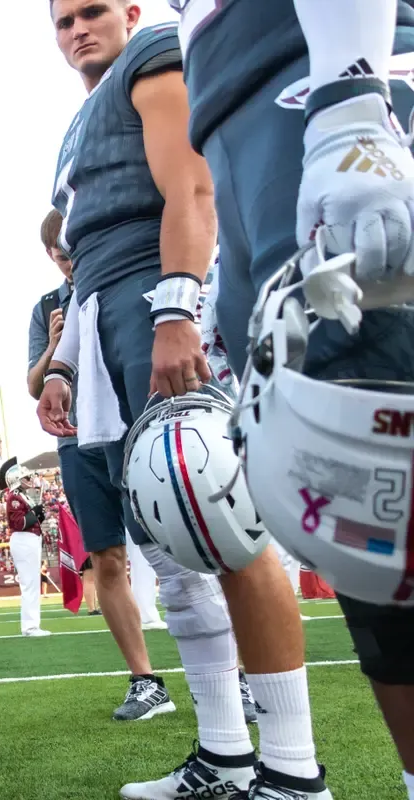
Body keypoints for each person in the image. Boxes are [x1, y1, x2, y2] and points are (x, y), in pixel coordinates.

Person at [39, 4, 328, 799]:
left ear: (131, 11)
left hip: (154, 297)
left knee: (224, 523)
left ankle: (295, 771)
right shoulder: (77, 121)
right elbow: (83, 259)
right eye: (62, 21)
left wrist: (175, 309)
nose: (77, 30)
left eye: (92, 12)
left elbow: (190, 187)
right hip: (107, 314)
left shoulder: (154, 53)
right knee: (171, 550)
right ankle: (226, 755)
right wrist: (63, 362)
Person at [178, 0, 414, 797]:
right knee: (351, 497)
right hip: (245, 125)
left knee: (384, 444)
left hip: (319, 76)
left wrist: (352, 93)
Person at [27, 207, 174, 719]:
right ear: (53, 256)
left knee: (179, 546)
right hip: (77, 442)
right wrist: (53, 346)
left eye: (77, 250)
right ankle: (145, 679)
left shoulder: (124, 278)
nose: (72, 263)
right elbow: (33, 384)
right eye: (64, 254)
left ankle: (235, 675)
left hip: (132, 422)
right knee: (106, 558)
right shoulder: (48, 305)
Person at [3, 470, 51, 637]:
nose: (30, 479)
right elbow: (19, 522)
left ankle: (33, 625)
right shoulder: (14, 497)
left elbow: (31, 520)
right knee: (29, 583)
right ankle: (30, 627)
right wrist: (34, 514)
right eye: (26, 477)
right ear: (17, 480)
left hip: (30, 538)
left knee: (32, 582)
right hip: (24, 539)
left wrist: (38, 515)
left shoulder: (22, 496)